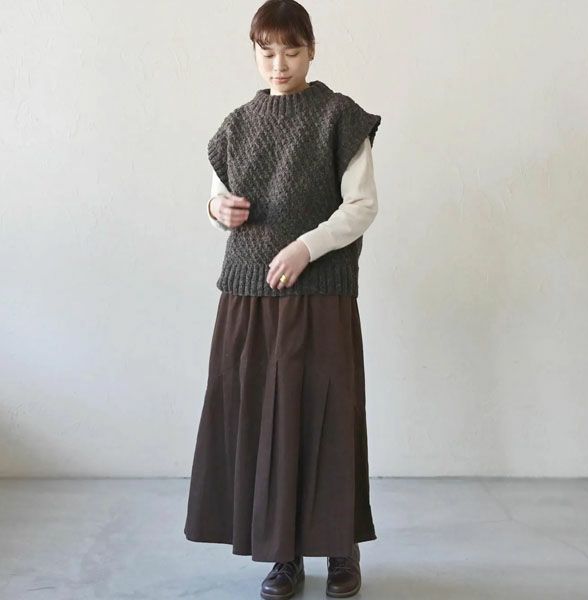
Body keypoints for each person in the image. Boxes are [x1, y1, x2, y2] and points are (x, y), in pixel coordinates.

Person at [184, 1, 382, 598]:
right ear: (254, 53)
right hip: (249, 294)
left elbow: (362, 206)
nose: (279, 64)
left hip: (319, 290)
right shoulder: (236, 125)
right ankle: (283, 554)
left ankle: (341, 549)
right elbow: (218, 198)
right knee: (262, 421)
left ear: (311, 50)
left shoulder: (339, 117)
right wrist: (217, 210)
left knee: (327, 415)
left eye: (291, 51)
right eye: (267, 52)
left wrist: (305, 248)